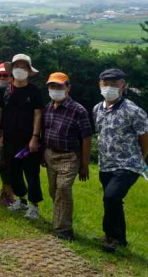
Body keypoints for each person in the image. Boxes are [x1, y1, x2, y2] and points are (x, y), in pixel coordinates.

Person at [93, 69, 148, 253]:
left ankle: (111, 239)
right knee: (112, 201)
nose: (109, 87)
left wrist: (141, 158)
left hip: (128, 164)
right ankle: (120, 238)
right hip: (106, 164)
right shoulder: (97, 109)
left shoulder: (133, 111)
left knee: (111, 197)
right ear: (99, 85)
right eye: (105, 83)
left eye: (114, 83)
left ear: (122, 86)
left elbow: (146, 138)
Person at [42, 72, 92, 241]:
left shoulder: (79, 111)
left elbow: (86, 138)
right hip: (50, 154)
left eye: (59, 86)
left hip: (69, 156)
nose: (54, 90)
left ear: (68, 88)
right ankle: (58, 221)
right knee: (53, 190)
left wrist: (84, 164)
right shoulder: (48, 107)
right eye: (52, 86)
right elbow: (45, 131)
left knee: (63, 188)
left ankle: (64, 229)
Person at [0, 54, 44, 220]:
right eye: (17, 66)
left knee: (31, 173)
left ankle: (34, 205)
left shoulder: (34, 91)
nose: (19, 70)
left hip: (29, 140)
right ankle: (21, 200)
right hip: (9, 139)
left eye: (23, 67)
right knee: (13, 172)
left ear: (29, 71)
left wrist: (35, 137)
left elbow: (38, 114)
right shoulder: (5, 90)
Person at [0, 63, 14, 206]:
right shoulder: (1, 91)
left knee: (8, 164)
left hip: (11, 134)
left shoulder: (15, 92)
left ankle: (9, 195)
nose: (2, 78)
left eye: (5, 75)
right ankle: (5, 191)